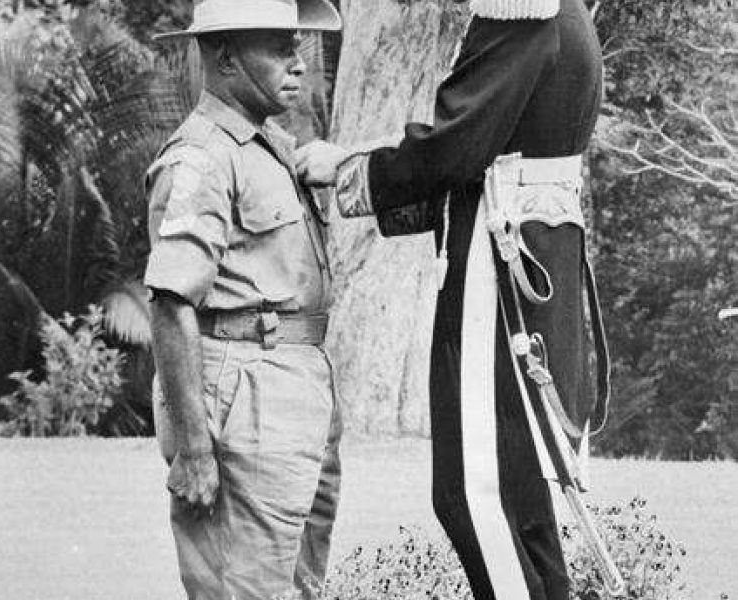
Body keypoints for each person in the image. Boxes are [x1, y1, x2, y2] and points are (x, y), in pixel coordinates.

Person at [296, 1, 610, 599]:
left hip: (500, 270)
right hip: (535, 259)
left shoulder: (523, 10)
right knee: (525, 499)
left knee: (474, 492)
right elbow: (479, 144)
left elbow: (453, 148)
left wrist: (347, 169)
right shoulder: (564, 14)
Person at [143, 1, 343, 599]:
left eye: (297, 46)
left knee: (299, 585)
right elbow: (170, 300)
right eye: (278, 47)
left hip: (298, 383)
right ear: (226, 57)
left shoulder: (275, 148)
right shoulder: (201, 157)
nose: (298, 63)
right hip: (242, 392)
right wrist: (196, 450)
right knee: (242, 589)